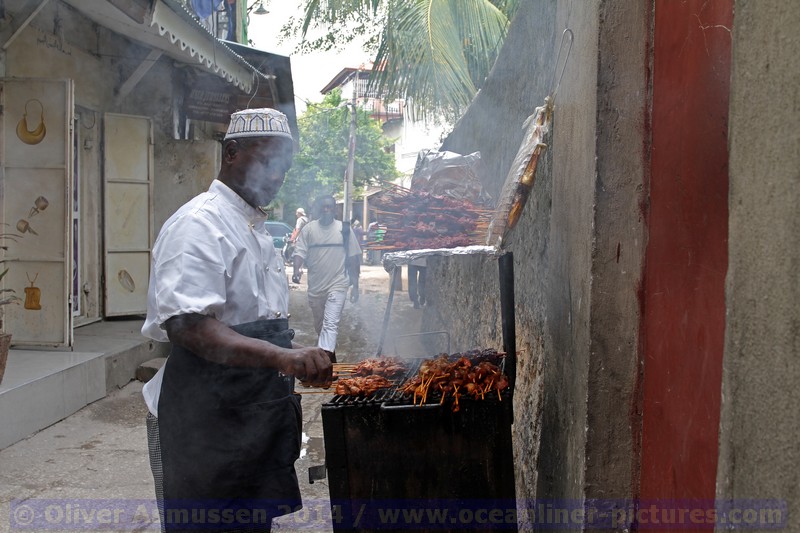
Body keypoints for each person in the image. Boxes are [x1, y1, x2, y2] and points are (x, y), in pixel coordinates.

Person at [140, 108, 333, 533]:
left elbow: (258, 322)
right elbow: (189, 327)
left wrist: (291, 359)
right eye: (268, 160)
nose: (278, 175)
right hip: (204, 424)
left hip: (252, 415)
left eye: (284, 165)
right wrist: (284, 358)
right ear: (231, 152)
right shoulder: (199, 224)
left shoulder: (257, 232)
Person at [292, 195, 361, 361]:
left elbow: (353, 258)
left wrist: (356, 285)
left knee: (330, 324)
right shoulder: (309, 229)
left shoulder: (344, 229)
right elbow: (299, 252)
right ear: (318, 209)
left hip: (338, 283)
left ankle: (324, 364)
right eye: (323, 207)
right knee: (320, 325)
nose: (326, 210)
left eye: (330, 207)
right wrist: (296, 270)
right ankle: (331, 356)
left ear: (335, 209)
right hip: (316, 287)